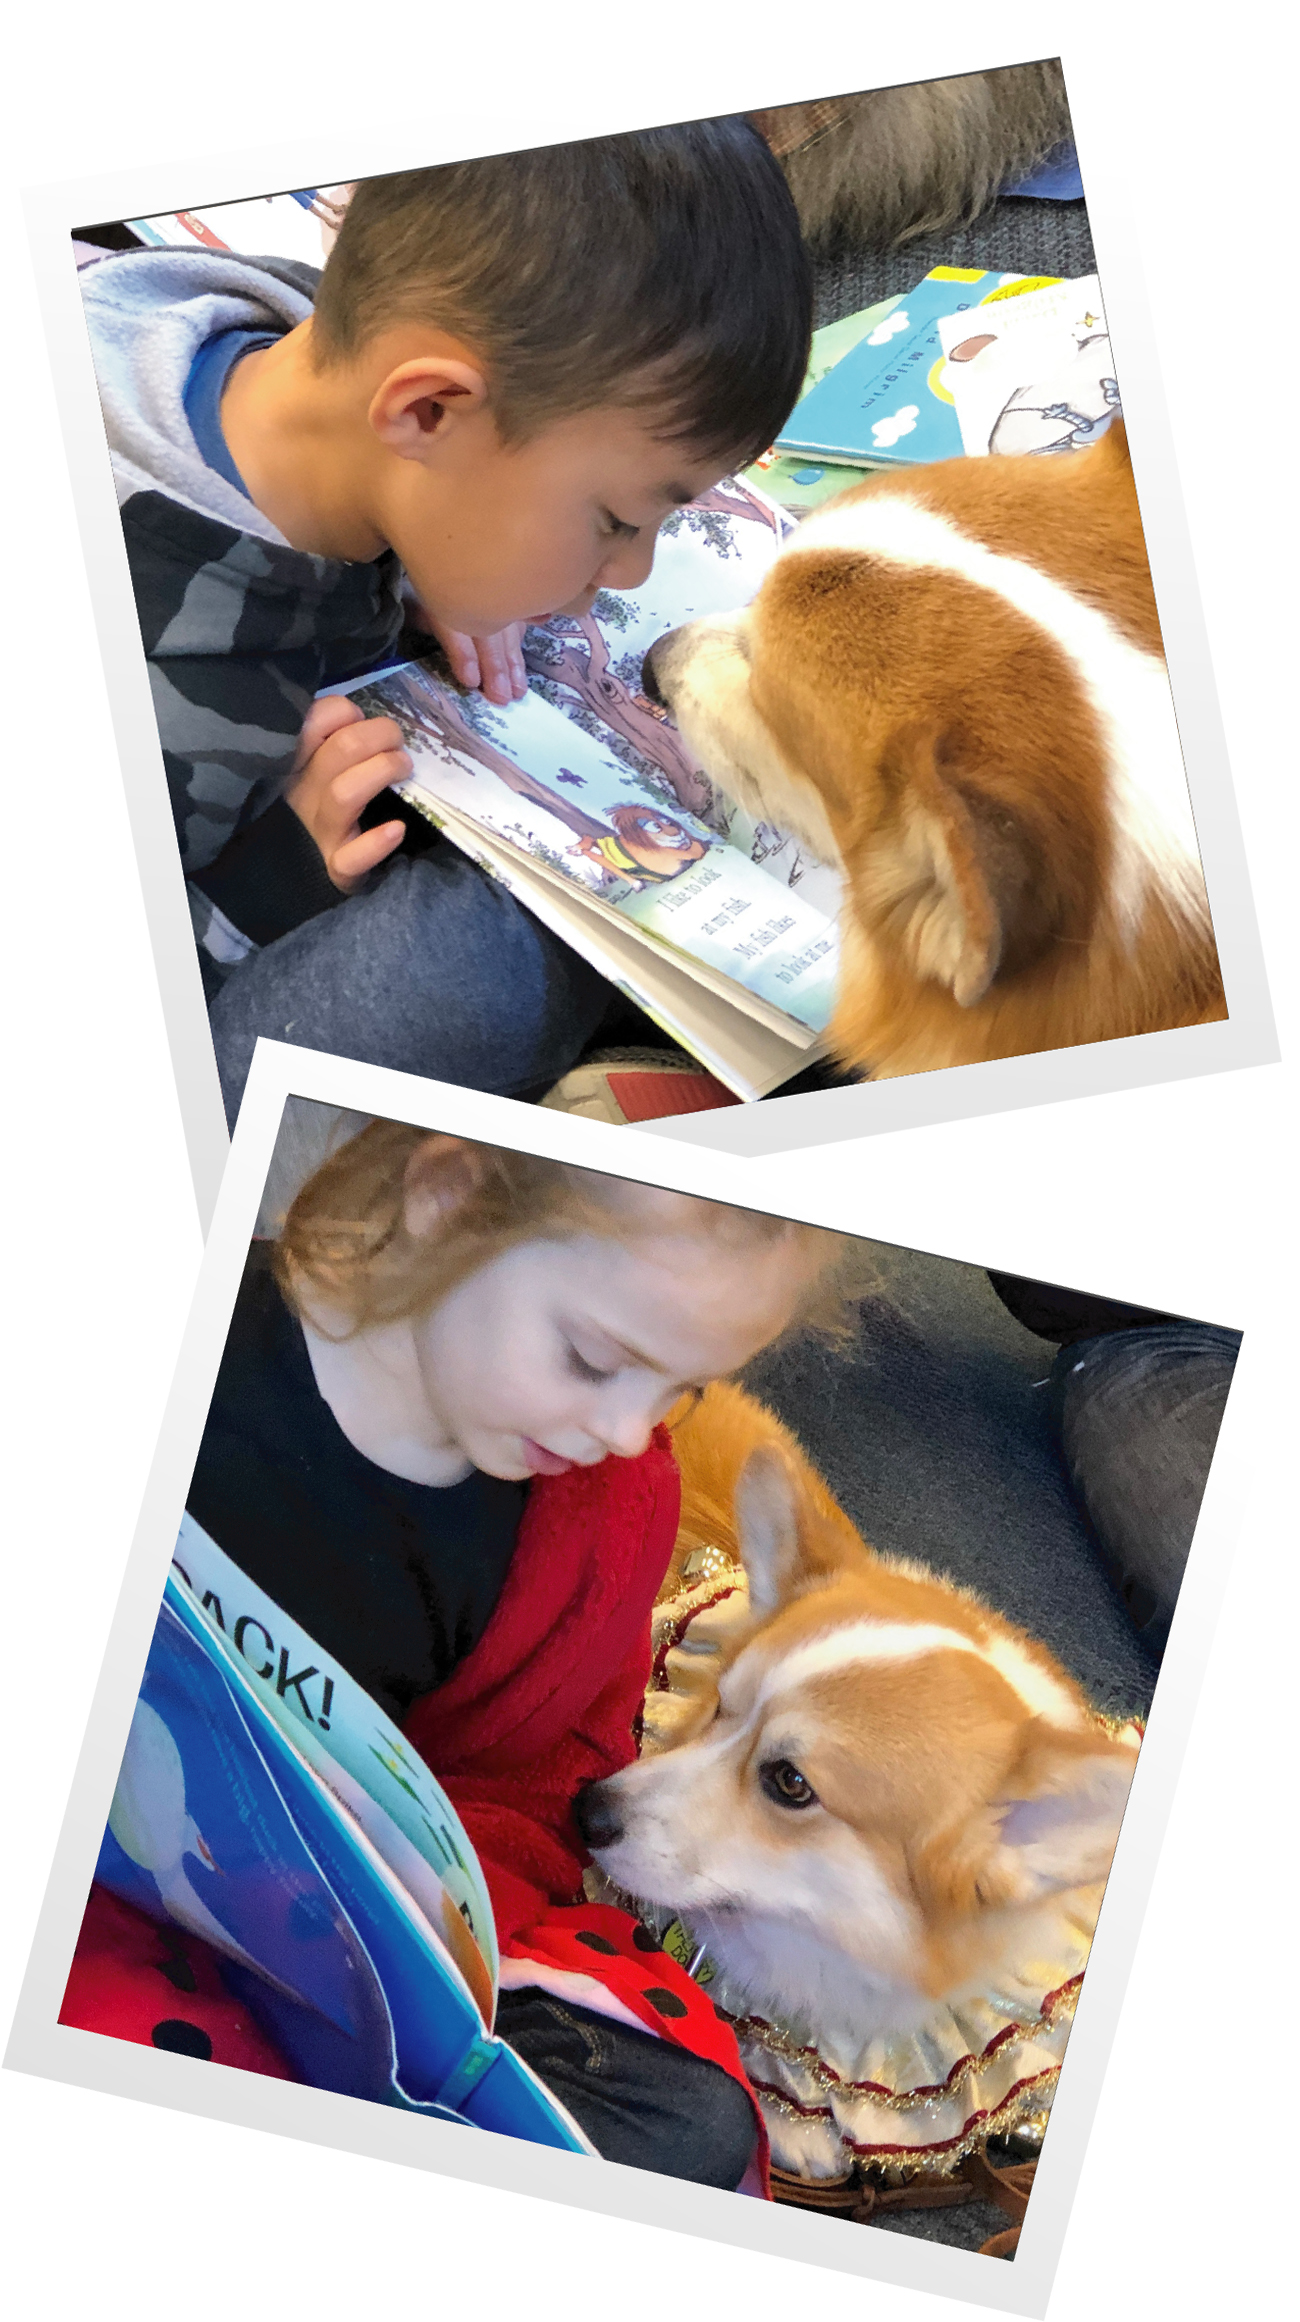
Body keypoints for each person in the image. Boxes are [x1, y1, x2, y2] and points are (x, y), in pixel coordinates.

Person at [63, 1120, 850, 2190]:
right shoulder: (179, 1328)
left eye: (683, 1392)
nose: (629, 1431)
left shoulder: (608, 1509)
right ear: (446, 1200)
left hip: (351, 1957)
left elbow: (538, 1786)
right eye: (595, 1360)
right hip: (94, 1906)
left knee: (691, 2128)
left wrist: (429, 1920)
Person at [78, 126, 812, 1123]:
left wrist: (423, 554)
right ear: (425, 414)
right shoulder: (151, 683)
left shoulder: (269, 327)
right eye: (614, 521)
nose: (632, 570)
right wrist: (261, 891)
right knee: (479, 975)